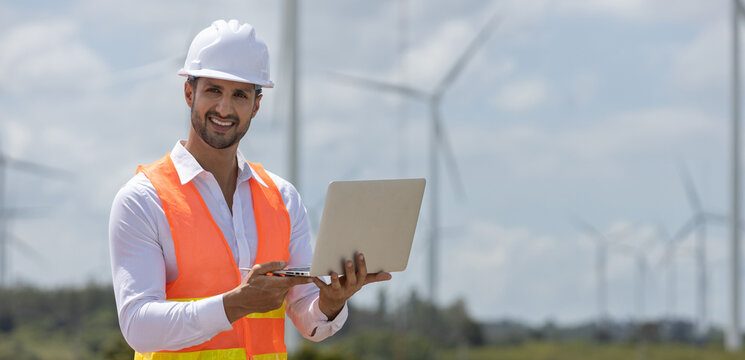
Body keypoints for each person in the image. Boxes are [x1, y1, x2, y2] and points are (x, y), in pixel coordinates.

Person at [108, 19, 391, 359]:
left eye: (239, 95)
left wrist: (330, 302)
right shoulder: (143, 200)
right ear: (189, 93)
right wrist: (235, 304)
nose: (225, 109)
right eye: (213, 90)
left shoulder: (283, 199)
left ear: (256, 105)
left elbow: (305, 316)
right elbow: (138, 327)